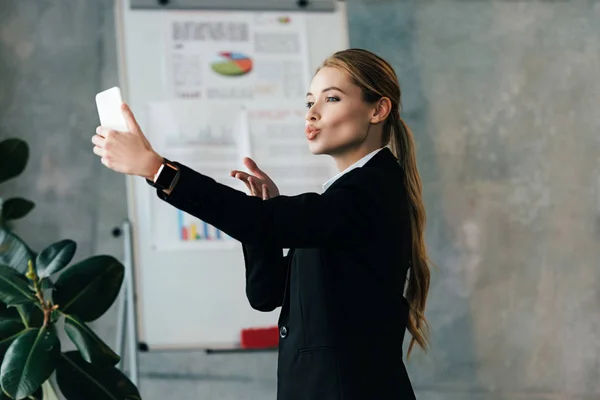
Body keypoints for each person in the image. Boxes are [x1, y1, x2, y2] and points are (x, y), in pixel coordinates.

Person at [92, 48, 431, 400]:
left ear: (378, 109)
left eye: (331, 98)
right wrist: (262, 219)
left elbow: (263, 225)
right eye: (309, 101)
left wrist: (158, 170)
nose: (312, 113)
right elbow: (266, 294)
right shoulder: (344, 199)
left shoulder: (368, 191)